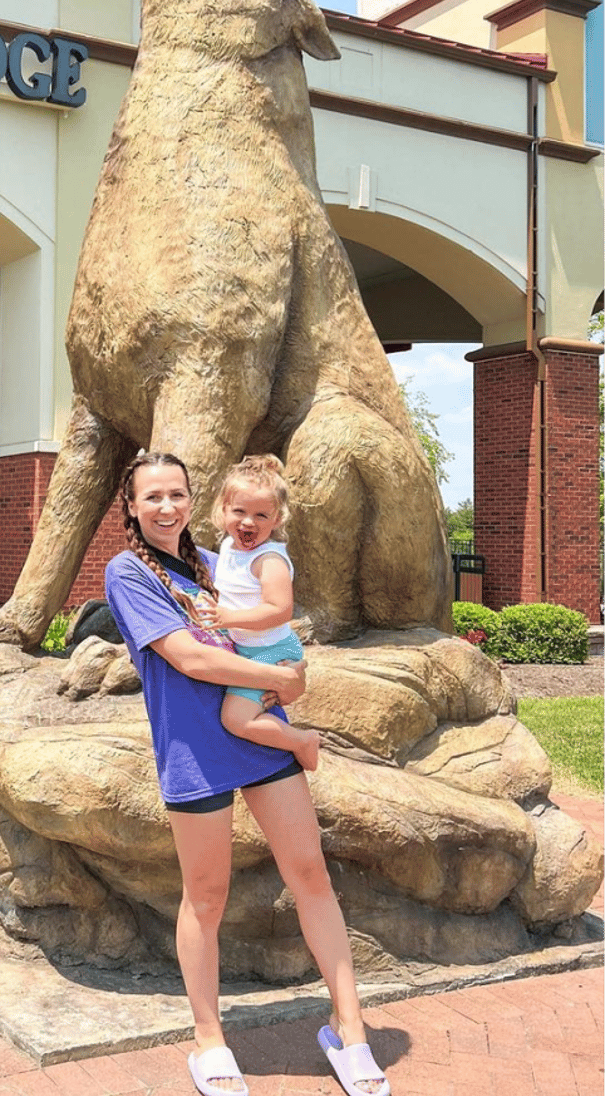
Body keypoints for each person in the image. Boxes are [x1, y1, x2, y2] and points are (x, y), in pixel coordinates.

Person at [104, 451, 389, 1096]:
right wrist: (280, 679)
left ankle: (350, 1033)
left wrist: (282, 678)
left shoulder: (215, 561)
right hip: (194, 751)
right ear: (132, 506)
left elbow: (268, 618)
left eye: (177, 493)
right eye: (153, 497)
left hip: (260, 740)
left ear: (192, 498)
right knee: (206, 899)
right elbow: (189, 659)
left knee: (311, 876)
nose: (167, 507)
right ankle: (209, 1041)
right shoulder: (128, 572)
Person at [199, 455, 320, 772]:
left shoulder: (269, 560)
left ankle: (302, 740)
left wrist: (228, 619)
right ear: (223, 510)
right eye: (239, 511)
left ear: (277, 519)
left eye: (261, 515)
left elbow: (280, 610)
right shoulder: (228, 547)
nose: (248, 522)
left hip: (271, 651)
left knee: (235, 719)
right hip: (249, 649)